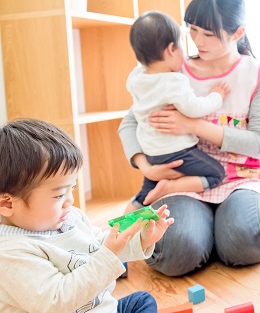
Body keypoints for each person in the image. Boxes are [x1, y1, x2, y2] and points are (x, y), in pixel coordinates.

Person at [118, 0, 260, 277]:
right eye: (192, 30)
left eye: (209, 34)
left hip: (242, 178)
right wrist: (146, 167)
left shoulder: (259, 74)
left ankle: (227, 229)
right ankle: (209, 233)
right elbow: (130, 122)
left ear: (237, 34)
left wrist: (192, 125)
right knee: (176, 252)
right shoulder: (173, 71)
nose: (197, 41)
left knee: (242, 239)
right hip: (185, 176)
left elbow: (259, 143)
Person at [0, 118, 174, 313]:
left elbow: (98, 245)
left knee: (142, 301)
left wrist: (141, 240)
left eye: (71, 189)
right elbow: (56, 301)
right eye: (59, 195)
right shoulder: (11, 253)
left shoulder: (69, 217)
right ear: (7, 204)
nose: (70, 201)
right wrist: (108, 255)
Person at [126, 10, 230, 208]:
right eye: (181, 45)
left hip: (151, 152)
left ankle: (121, 225)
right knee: (216, 174)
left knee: (146, 193)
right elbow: (195, 108)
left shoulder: (135, 78)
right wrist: (217, 96)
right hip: (177, 151)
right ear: (170, 50)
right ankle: (170, 187)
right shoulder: (173, 81)